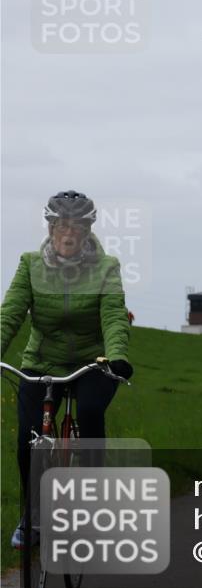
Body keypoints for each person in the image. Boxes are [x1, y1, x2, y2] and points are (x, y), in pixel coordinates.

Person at [0, 191, 133, 549]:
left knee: (89, 412)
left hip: (94, 362)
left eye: (76, 226)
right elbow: (10, 313)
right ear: (50, 228)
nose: (68, 233)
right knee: (28, 438)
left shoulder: (107, 267)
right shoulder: (30, 264)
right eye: (61, 226)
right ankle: (32, 514)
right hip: (41, 361)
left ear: (87, 230)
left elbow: (114, 316)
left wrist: (117, 356)